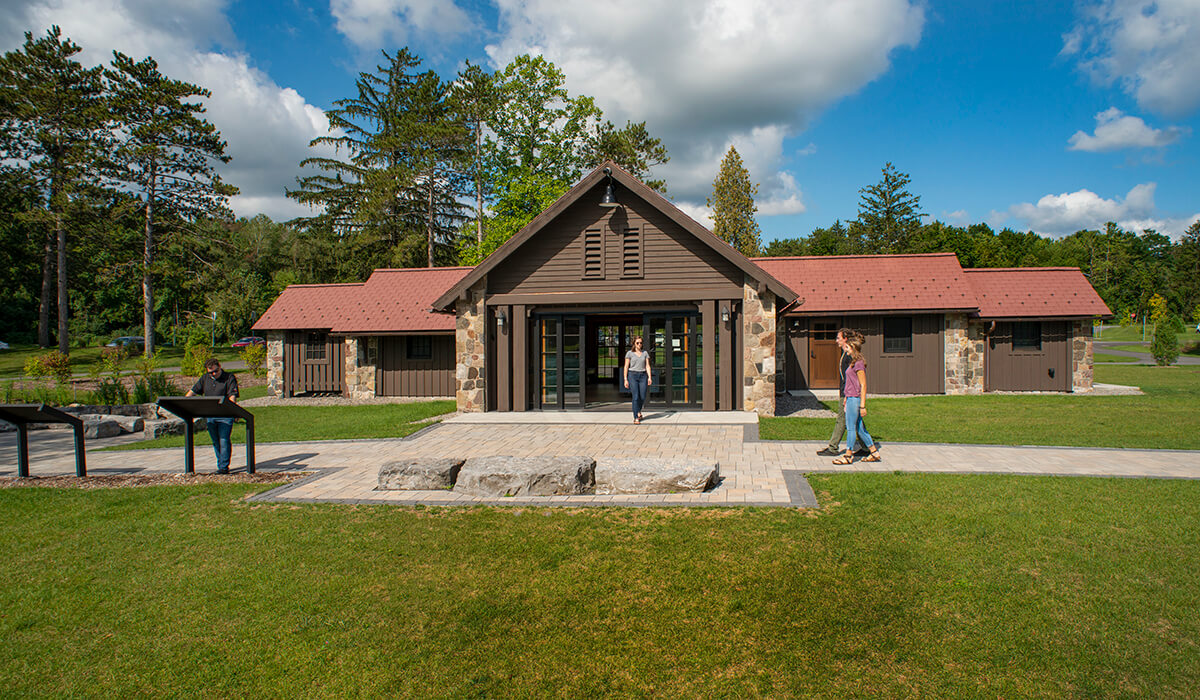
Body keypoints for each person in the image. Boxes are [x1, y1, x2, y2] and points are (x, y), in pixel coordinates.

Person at [833, 333, 881, 465]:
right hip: (850, 398)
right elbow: (850, 382)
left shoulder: (859, 364)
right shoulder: (853, 362)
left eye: (847, 347)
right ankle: (874, 453)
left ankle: (848, 456)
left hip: (855, 399)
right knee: (860, 428)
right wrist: (845, 398)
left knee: (851, 428)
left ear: (853, 348)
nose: (845, 349)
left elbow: (863, 385)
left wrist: (862, 406)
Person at [186, 358, 239, 474]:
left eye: (215, 371)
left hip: (225, 415)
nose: (213, 374)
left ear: (219, 367)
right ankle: (221, 464)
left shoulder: (229, 377)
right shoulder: (205, 378)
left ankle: (224, 467)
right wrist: (185, 402)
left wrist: (232, 409)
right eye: (210, 372)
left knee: (224, 440)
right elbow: (193, 391)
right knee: (216, 441)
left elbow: (232, 395)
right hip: (210, 415)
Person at [816, 328, 863, 457]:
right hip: (846, 393)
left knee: (842, 420)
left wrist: (847, 395)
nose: (836, 340)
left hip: (848, 394)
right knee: (856, 420)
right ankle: (866, 447)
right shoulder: (845, 355)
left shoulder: (850, 356)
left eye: (838, 338)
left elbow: (853, 378)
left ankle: (833, 447)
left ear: (845, 339)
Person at [623, 336, 652, 424]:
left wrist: (649, 377)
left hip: (643, 376)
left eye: (640, 343)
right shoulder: (629, 353)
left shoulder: (645, 353)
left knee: (642, 396)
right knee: (635, 396)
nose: (639, 344)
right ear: (634, 344)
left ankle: (638, 411)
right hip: (632, 375)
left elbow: (647, 365)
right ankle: (636, 417)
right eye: (637, 343)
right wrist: (625, 379)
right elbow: (626, 366)